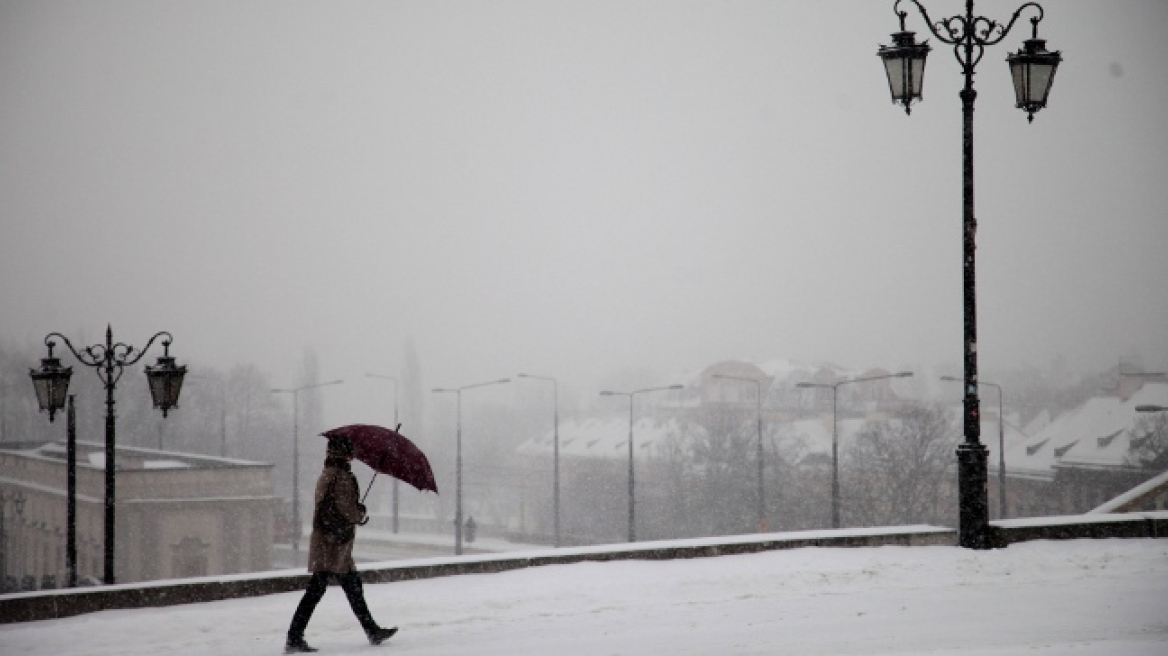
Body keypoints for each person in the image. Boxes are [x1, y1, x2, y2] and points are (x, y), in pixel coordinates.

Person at [285, 436, 397, 653]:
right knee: (318, 589)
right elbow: (348, 511)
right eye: (349, 451)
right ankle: (294, 636)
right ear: (344, 454)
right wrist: (361, 512)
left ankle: (372, 630)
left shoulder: (326, 474)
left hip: (326, 539)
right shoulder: (342, 477)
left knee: (351, 587)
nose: (352, 456)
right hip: (334, 542)